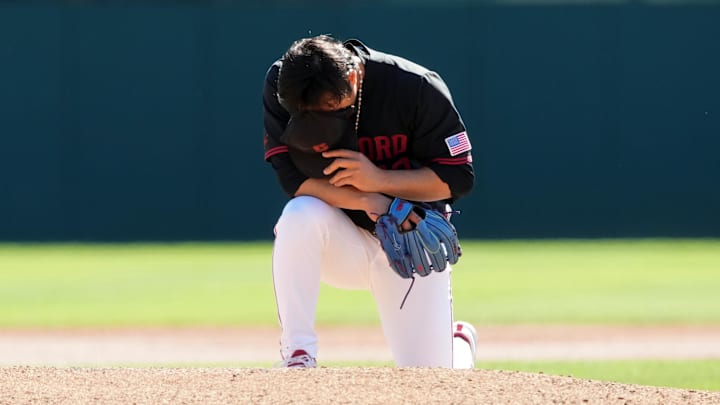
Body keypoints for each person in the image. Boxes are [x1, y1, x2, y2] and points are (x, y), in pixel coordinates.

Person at [262, 35, 477, 368]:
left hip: (409, 243)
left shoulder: (415, 87)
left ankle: (458, 344)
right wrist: (367, 198)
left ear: (352, 79)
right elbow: (293, 180)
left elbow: (457, 178)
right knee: (300, 214)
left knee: (433, 381)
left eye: (328, 105)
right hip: (340, 240)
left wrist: (379, 179)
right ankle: (298, 354)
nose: (318, 115)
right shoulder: (282, 83)